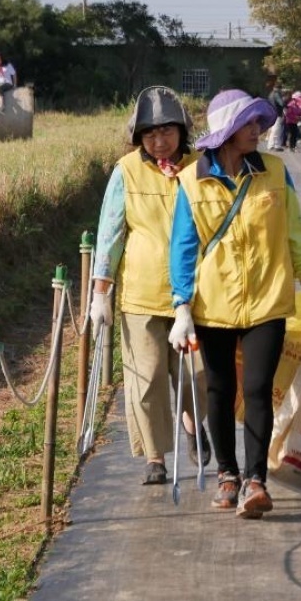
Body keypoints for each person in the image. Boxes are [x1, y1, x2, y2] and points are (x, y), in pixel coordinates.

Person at [168, 89, 301, 519]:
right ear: (227, 131)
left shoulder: (277, 173)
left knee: (260, 391)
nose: (258, 131)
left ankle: (255, 480)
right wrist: (181, 307)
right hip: (213, 305)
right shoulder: (192, 181)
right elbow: (183, 249)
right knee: (220, 392)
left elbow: (295, 234)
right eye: (248, 124)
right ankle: (227, 474)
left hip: (268, 299)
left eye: (259, 123)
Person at [91, 87, 211, 486]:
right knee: (148, 377)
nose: (160, 142)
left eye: (167, 132)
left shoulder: (202, 167)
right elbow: (110, 232)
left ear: (182, 130)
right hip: (140, 294)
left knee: (196, 373)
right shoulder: (126, 170)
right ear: (139, 138)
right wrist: (100, 292)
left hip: (196, 293)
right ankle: (156, 458)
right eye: (150, 135)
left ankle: (196, 430)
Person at [265, 77, 286, 152]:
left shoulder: (271, 94)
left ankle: (270, 145)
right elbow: (281, 103)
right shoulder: (276, 94)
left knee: (273, 130)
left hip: (272, 113)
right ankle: (276, 145)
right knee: (276, 130)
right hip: (277, 114)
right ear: (279, 88)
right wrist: (284, 98)